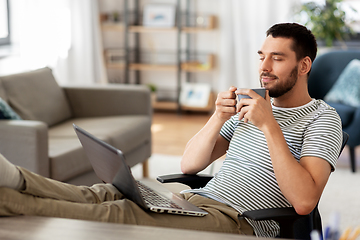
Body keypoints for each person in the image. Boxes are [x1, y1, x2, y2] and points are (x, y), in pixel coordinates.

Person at [0, 23, 342, 238]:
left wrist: (270, 127)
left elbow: (304, 201)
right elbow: (190, 165)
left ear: (304, 65)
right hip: (196, 202)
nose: (264, 68)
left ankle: (7, 199)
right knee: (104, 193)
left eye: (277, 58)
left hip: (241, 221)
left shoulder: (321, 120)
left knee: (118, 214)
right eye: (261, 56)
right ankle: (15, 178)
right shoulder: (251, 104)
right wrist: (217, 118)